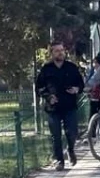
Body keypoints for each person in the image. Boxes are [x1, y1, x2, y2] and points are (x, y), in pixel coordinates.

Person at [35, 42, 85, 170]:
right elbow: (39, 88)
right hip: (53, 108)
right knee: (55, 136)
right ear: (52, 53)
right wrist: (48, 97)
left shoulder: (71, 67)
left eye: (62, 50)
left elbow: (80, 84)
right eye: (57, 51)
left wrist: (76, 89)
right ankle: (59, 160)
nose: (60, 53)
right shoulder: (46, 69)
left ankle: (71, 150)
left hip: (69, 106)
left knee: (72, 133)